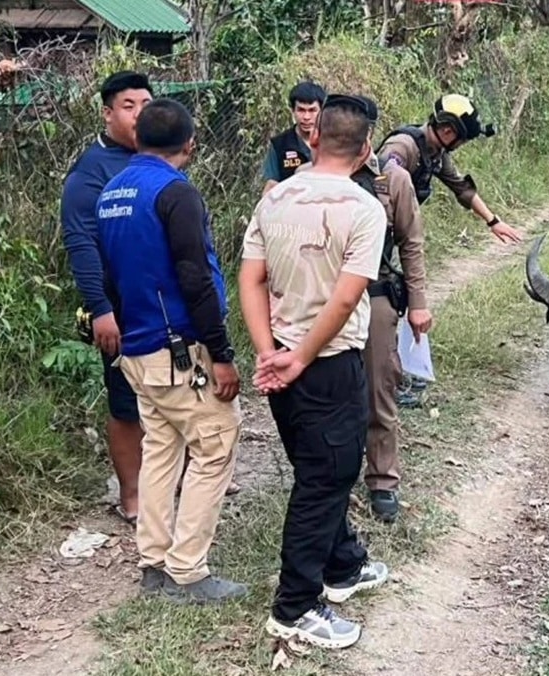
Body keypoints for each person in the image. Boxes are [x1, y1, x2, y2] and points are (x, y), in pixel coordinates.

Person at [240, 93, 391, 649]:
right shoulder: (363, 208)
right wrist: (300, 356)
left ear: (312, 137)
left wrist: (269, 351)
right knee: (323, 480)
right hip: (324, 364)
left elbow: (251, 280)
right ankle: (295, 607)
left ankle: (344, 566)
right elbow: (349, 297)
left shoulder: (275, 198)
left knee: (318, 467)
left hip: (281, 359)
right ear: (366, 148)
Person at [97, 98, 246, 604]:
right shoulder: (175, 193)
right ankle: (188, 571)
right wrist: (221, 355)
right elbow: (194, 277)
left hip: (137, 350)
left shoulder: (112, 193)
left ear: (137, 140)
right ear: (190, 144)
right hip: (179, 349)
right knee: (215, 445)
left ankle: (155, 562)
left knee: (160, 450)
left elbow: (111, 275)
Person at [295, 95, 432, 523]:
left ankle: (382, 480)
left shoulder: (393, 181)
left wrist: (419, 304)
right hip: (317, 297)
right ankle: (324, 476)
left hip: (373, 297)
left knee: (379, 388)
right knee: (321, 391)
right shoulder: (305, 180)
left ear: (368, 137)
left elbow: (411, 242)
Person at [61, 71, 153, 525]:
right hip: (122, 309)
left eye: (145, 104)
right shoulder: (91, 172)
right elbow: (81, 244)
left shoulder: (159, 156)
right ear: (108, 112)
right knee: (125, 403)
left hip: (167, 306)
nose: (139, 114)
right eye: (129, 105)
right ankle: (131, 497)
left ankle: (183, 477)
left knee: (176, 394)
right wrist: (101, 309)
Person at [377, 93, 524, 245]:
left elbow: (461, 188)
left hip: (395, 228)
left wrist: (493, 222)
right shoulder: (402, 147)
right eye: (462, 140)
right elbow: (380, 192)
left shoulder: (436, 152)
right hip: (374, 226)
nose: (461, 145)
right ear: (448, 131)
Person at [260, 80, 327, 195]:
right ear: (292, 111)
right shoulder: (279, 144)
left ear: (322, 111)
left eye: (312, 110)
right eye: (301, 110)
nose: (306, 117)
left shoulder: (332, 142)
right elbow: (271, 185)